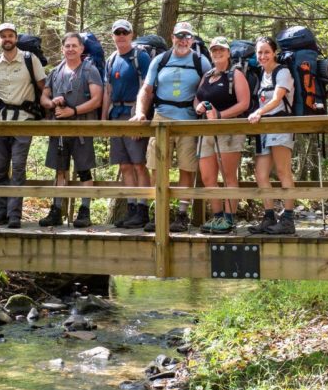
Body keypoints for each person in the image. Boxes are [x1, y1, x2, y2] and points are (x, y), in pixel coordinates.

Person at [132, 21, 212, 232]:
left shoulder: (201, 61)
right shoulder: (161, 59)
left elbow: (210, 88)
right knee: (157, 166)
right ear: (172, 37)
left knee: (187, 167)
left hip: (188, 121)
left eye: (187, 37)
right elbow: (146, 90)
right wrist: (140, 112)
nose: (183, 40)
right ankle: (160, 211)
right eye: (179, 36)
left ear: (192, 40)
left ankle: (182, 214)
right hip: (161, 117)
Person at [0, 22, 46, 228]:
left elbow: (42, 86)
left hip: (24, 120)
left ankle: (14, 215)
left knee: (18, 167)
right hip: (1, 121)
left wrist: (46, 112)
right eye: (3, 36)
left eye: (10, 35)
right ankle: (0, 211)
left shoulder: (30, 59)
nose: (7, 39)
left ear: (16, 38)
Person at [38, 32, 104, 228]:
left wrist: (72, 111)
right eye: (67, 46)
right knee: (60, 171)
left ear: (82, 49)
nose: (71, 49)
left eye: (74, 46)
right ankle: (56, 210)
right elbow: (44, 97)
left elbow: (96, 99)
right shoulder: (56, 72)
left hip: (82, 128)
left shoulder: (89, 70)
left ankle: (85, 212)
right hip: (59, 129)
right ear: (62, 49)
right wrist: (52, 103)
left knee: (84, 170)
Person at [192, 37, 250, 234]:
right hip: (206, 131)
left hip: (229, 129)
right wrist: (199, 107)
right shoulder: (208, 75)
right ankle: (217, 217)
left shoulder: (236, 75)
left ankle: (229, 218)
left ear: (228, 53)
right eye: (214, 50)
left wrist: (220, 115)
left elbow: (244, 103)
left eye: (221, 50)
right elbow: (198, 97)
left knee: (228, 176)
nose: (217, 53)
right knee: (208, 176)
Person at [102, 19, 153, 229]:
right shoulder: (111, 59)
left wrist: (141, 117)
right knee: (124, 165)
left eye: (125, 32)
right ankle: (131, 209)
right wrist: (104, 119)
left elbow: (148, 88)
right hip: (117, 115)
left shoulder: (140, 57)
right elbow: (108, 91)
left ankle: (142, 209)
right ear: (113, 36)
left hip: (134, 115)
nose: (121, 36)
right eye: (117, 33)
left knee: (139, 164)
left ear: (131, 35)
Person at [246, 36, 297, 235]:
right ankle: (269, 216)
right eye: (259, 52)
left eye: (266, 52)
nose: (263, 56)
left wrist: (259, 112)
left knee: (283, 171)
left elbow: (277, 98)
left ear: (274, 52)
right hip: (264, 129)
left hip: (280, 124)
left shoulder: (282, 72)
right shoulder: (262, 74)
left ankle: (288, 218)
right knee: (260, 173)